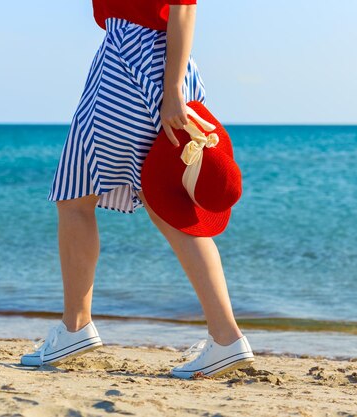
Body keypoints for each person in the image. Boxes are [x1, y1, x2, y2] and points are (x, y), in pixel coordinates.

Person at [20, 0, 255, 379]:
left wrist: (173, 88)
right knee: (160, 204)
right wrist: (174, 84)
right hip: (142, 63)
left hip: (135, 69)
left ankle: (76, 327)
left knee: (80, 198)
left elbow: (184, 6)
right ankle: (225, 337)